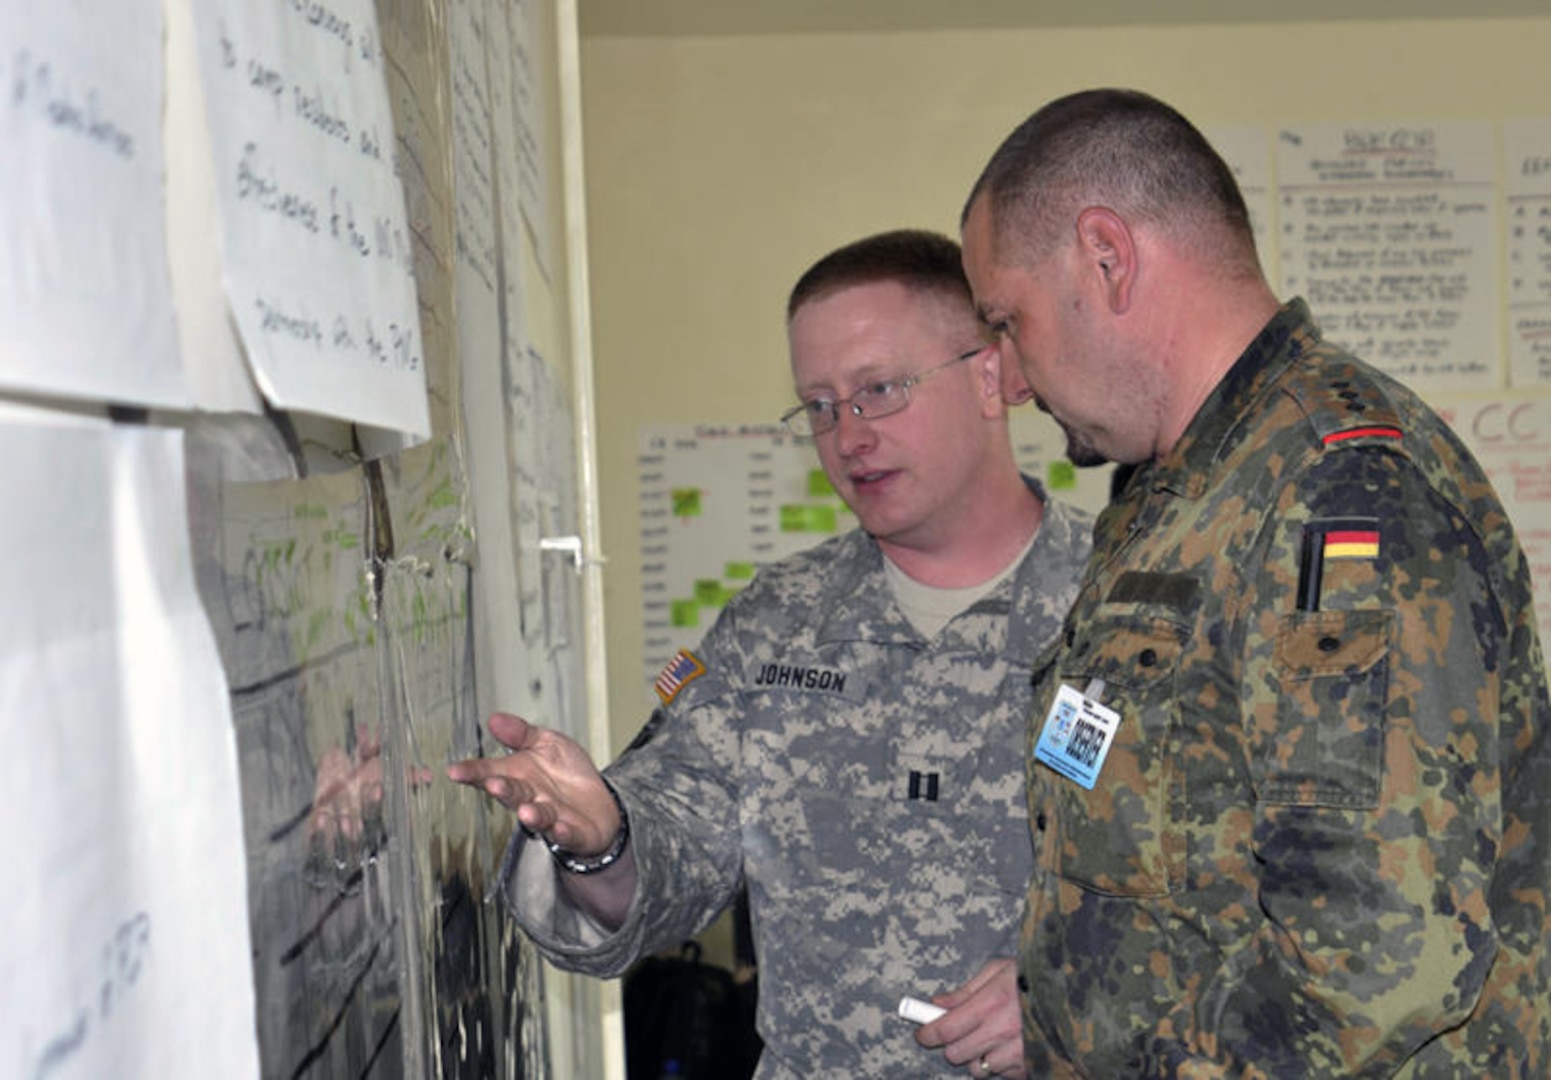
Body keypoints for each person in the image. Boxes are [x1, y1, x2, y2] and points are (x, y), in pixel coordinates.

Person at [960, 87, 1551, 1077]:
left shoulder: (1341, 489)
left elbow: (1377, 964)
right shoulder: (1171, 492)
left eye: (1006, 322)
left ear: (1106, 257)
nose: (1011, 380)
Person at [448, 228, 1094, 1079]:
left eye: (879, 390)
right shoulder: (777, 622)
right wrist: (598, 836)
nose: (847, 435)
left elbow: (1244, 894)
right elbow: (669, 854)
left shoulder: (1120, 611)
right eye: (819, 406)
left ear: (991, 375)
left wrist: (1077, 999)